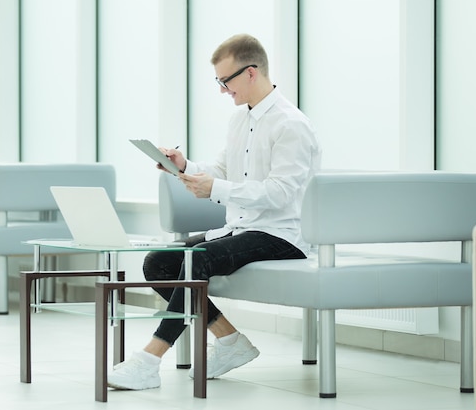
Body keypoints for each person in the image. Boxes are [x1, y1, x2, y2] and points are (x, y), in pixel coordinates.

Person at [108, 33, 322, 390]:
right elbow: (223, 171)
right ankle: (230, 340)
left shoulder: (291, 125)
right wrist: (184, 165)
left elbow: (283, 194)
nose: (223, 90)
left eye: (226, 81)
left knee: (195, 259)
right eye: (219, 82)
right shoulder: (239, 121)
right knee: (157, 262)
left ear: (251, 72)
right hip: (244, 229)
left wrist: (216, 189)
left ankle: (149, 359)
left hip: (284, 235)